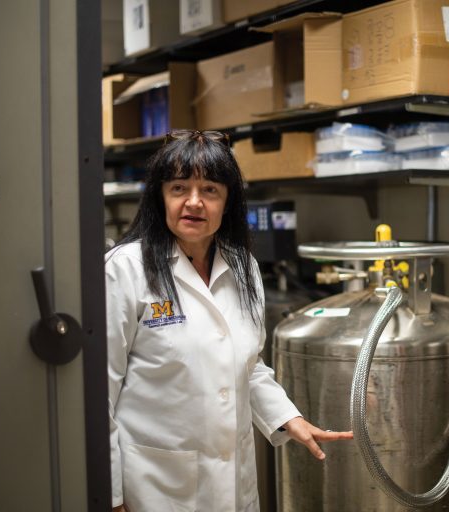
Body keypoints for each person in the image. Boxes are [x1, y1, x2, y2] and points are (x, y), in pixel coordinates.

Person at [105, 130, 353, 511]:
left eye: (209, 190)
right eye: (178, 188)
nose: (194, 202)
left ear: (228, 201)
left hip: (233, 486)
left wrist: (289, 418)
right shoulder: (125, 269)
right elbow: (99, 393)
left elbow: (247, 366)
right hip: (154, 487)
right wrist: (112, 497)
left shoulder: (242, 266)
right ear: (160, 197)